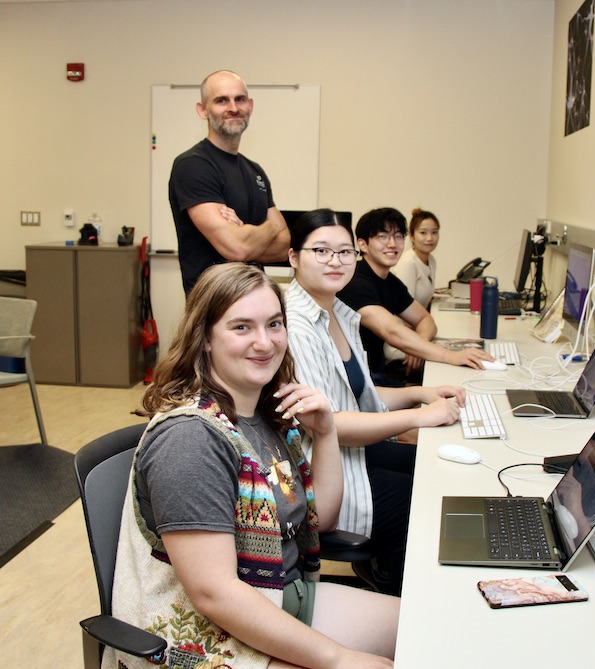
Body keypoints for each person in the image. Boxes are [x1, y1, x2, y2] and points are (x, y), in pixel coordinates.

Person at [108, 263, 397, 669]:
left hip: (280, 597)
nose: (265, 343)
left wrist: (327, 432)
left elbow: (323, 520)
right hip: (209, 636)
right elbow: (215, 594)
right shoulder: (190, 440)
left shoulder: (264, 414)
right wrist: (335, 658)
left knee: (429, 628)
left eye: (274, 324)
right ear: (204, 338)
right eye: (241, 327)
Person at [285, 209, 466, 595]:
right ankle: (400, 603)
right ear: (293, 257)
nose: (335, 261)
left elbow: (359, 396)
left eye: (344, 252)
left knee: (434, 468)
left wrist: (420, 394)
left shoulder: (337, 313)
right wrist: (419, 417)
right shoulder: (296, 324)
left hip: (347, 452)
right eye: (321, 250)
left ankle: (387, 569)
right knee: (425, 501)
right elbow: (331, 424)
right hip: (321, 470)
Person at [337, 207, 492, 386]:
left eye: (398, 236)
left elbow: (425, 319)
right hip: (358, 384)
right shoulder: (354, 280)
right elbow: (391, 330)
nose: (392, 244)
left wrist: (419, 345)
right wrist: (450, 356)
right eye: (383, 236)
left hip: (377, 375)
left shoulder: (390, 282)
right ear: (363, 244)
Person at [168, 69, 290, 295]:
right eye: (221, 100)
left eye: (240, 99)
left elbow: (283, 247)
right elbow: (236, 247)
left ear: (250, 106)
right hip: (214, 306)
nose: (233, 108)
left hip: (255, 299)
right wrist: (271, 228)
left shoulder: (255, 171)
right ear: (203, 110)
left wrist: (243, 231)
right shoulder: (194, 165)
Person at [391, 208, 440, 310]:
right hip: (403, 323)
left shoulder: (431, 260)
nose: (430, 238)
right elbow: (404, 308)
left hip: (419, 321)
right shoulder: (408, 262)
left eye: (434, 232)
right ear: (412, 236)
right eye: (423, 233)